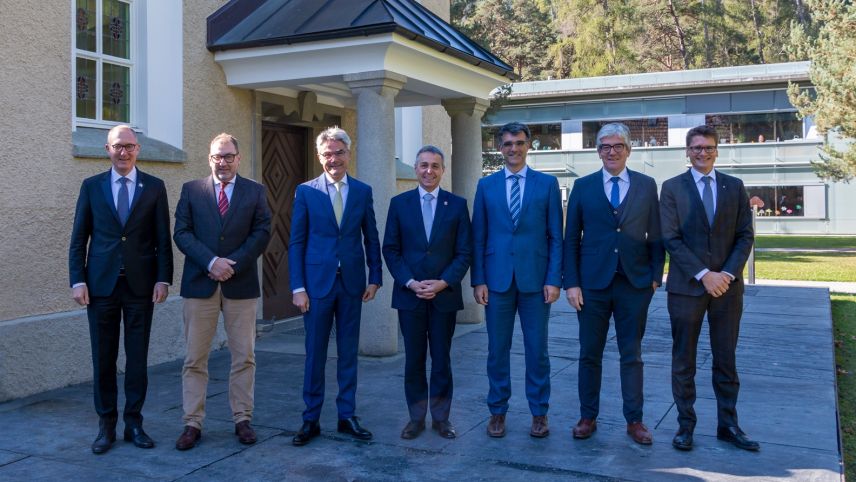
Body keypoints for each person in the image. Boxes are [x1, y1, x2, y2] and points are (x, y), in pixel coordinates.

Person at [69, 125, 173, 454]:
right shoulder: (91, 187)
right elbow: (78, 239)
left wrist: (163, 278)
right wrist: (78, 279)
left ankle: (134, 423)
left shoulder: (154, 187)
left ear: (138, 149)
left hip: (141, 287)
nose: (123, 152)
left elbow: (162, 239)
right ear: (107, 149)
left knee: (138, 358)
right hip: (100, 287)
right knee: (103, 357)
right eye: (117, 146)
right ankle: (106, 425)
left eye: (129, 146)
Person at [563, 123, 665, 445]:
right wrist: (572, 283)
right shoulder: (583, 186)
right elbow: (570, 240)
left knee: (631, 354)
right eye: (605, 147)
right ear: (598, 151)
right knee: (589, 354)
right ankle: (587, 416)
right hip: (591, 285)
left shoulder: (647, 186)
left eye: (617, 146)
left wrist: (653, 278)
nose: (611, 151)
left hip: (634, 285)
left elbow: (657, 235)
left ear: (628, 149)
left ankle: (634, 420)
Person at [660, 125, 758, 452]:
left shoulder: (735, 186)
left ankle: (728, 425)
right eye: (697, 148)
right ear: (687, 151)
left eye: (709, 147)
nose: (703, 153)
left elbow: (745, 235)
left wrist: (726, 274)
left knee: (726, 360)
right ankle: (685, 427)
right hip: (687, 288)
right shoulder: (672, 188)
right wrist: (704, 274)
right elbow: (670, 238)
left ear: (717, 150)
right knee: (683, 360)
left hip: (727, 291)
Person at [172, 133, 272, 450]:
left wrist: (234, 264)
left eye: (229, 156)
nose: (223, 162)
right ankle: (192, 423)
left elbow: (262, 232)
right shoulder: (191, 191)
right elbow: (182, 233)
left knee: (244, 356)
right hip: (200, 284)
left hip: (240, 284)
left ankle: (242, 419)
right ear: (209, 158)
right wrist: (211, 262)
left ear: (238, 158)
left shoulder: (255, 192)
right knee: (194, 358)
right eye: (217, 156)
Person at [289, 126, 382, 446]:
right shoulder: (306, 191)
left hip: (352, 284)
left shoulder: (362, 190)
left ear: (348, 154)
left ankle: (347, 416)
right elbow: (296, 242)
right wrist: (297, 286)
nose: (333, 159)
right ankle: (310, 419)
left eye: (339, 152)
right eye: (327, 154)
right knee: (314, 353)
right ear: (319, 156)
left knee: (347, 354)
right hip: (316, 286)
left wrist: (375, 277)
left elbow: (371, 236)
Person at [471, 121, 563, 438]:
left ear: (529, 145)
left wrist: (554, 279)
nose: (514, 148)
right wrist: (478, 280)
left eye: (520, 142)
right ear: (500, 147)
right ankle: (497, 411)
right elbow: (478, 237)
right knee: (498, 350)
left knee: (537, 351)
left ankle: (539, 413)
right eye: (508, 143)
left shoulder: (547, 184)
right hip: (496, 282)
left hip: (536, 283)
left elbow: (555, 237)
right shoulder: (486, 186)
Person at [382, 146, 472, 440]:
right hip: (411, 296)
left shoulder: (457, 205)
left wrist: (443, 282)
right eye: (423, 165)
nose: (429, 171)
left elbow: (464, 252)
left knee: (442, 360)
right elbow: (391, 249)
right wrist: (410, 282)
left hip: (444, 296)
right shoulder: (399, 203)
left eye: (435, 166)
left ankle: (442, 419)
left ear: (442, 170)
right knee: (414, 360)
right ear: (416, 169)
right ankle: (416, 418)